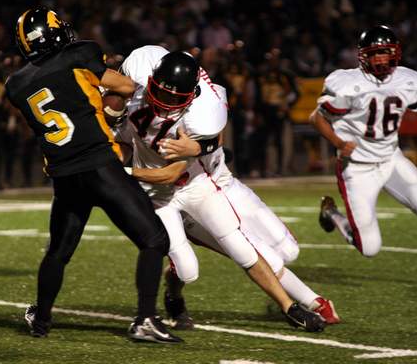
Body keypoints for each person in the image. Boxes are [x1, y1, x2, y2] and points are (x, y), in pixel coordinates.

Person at [116, 46, 326, 332]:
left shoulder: (200, 114)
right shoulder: (138, 82)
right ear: (150, 80)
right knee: (187, 270)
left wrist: (125, 171)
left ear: (191, 95)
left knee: (241, 246)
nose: (164, 102)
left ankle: (290, 307)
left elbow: (172, 172)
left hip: (195, 184)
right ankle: (174, 294)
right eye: (160, 92)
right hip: (158, 199)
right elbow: (115, 110)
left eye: (174, 98)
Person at [4, 7, 181, 343]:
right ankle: (145, 319)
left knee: (58, 252)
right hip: (100, 166)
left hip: (64, 177)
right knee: (155, 240)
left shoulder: (16, 84)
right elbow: (126, 86)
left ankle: (41, 320)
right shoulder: (80, 54)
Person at [309, 25, 417, 257]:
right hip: (357, 167)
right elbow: (316, 118)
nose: (380, 59)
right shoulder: (347, 83)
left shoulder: (408, 79)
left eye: (385, 52)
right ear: (362, 57)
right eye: (374, 54)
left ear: (395, 53)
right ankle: (332, 214)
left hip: (392, 159)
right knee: (369, 248)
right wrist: (339, 143)